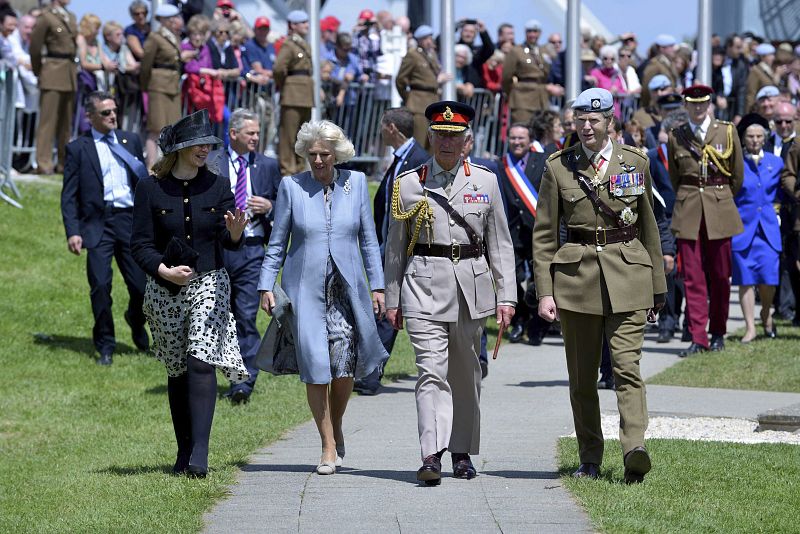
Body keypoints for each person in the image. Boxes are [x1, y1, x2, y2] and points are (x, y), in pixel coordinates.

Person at [532, 88, 667, 484]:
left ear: (610, 121)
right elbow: (544, 235)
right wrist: (545, 291)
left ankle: (634, 449)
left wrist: (657, 287)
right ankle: (589, 457)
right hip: (576, 281)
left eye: (594, 120)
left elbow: (648, 227)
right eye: (580, 120)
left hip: (629, 276)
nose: (586, 126)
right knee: (582, 377)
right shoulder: (559, 166)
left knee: (627, 368)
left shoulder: (635, 161)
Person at [384, 101, 516, 486]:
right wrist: (392, 298)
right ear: (429, 137)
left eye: (454, 136)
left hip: (471, 289)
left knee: (465, 374)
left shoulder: (485, 182)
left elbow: (500, 244)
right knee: (430, 371)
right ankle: (431, 453)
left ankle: (461, 451)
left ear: (466, 141)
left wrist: (507, 297)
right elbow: (395, 247)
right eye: (440, 135)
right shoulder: (409, 183)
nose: (446, 142)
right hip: (423, 287)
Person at [258, 120, 388, 475]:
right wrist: (266, 286)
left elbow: (369, 241)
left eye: (325, 154)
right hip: (305, 290)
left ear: (337, 155)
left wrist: (378, 286)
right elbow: (277, 242)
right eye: (312, 154)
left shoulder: (356, 183)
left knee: (344, 366)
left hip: (346, 289)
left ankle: (336, 423)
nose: (317, 161)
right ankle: (327, 444)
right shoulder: (291, 186)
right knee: (316, 365)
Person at [131, 109, 250, 478]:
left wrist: (235, 233)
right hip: (165, 290)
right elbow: (140, 244)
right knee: (178, 368)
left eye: (208, 145)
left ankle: (200, 453)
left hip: (210, 283)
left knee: (200, 360)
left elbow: (229, 241)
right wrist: (164, 270)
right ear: (179, 148)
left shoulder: (218, 185)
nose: (204, 150)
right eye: (198, 145)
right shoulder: (149, 188)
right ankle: (183, 449)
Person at [60, 91, 150, 365]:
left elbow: (143, 184)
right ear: (90, 117)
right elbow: (69, 195)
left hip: (129, 221)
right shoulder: (79, 148)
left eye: (114, 110)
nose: (113, 116)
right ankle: (105, 344)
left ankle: (135, 319)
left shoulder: (130, 140)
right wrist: (73, 231)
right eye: (105, 113)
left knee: (142, 287)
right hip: (98, 224)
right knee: (100, 286)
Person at [206, 109, 281, 403]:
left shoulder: (267, 165)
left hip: (252, 249)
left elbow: (283, 203)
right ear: (233, 134)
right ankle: (214, 372)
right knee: (219, 316)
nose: (256, 138)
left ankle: (243, 383)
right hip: (220, 248)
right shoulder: (212, 162)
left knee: (246, 316)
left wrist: (269, 206)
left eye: (258, 133)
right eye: (250, 133)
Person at [355, 107, 429, 396]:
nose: (380, 132)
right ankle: (370, 374)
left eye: (382, 126)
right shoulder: (400, 159)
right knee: (385, 308)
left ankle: (370, 375)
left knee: (389, 309)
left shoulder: (419, 160)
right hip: (391, 245)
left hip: (407, 249)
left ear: (392, 129)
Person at [667, 85, 744, 356]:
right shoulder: (676, 136)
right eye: (693, 103)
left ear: (709, 104)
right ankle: (698, 337)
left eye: (703, 103)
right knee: (692, 278)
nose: (698, 108)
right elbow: (676, 178)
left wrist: (720, 198)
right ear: (685, 105)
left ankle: (718, 332)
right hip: (689, 209)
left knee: (721, 275)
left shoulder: (727, 131)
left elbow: (737, 176)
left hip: (719, 207)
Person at [499, 123, 551, 346]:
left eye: (521, 138)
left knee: (540, 282)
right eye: (513, 138)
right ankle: (519, 320)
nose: (517, 142)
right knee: (511, 280)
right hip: (511, 233)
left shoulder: (543, 162)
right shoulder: (501, 165)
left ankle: (537, 326)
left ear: (530, 141)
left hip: (538, 232)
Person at [733, 114, 783, 342]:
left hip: (768, 230)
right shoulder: (735, 163)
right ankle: (750, 327)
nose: (754, 140)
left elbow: (783, 193)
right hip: (743, 230)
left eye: (759, 136)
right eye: (750, 136)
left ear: (765, 138)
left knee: (768, 279)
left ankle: (765, 313)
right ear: (743, 139)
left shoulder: (776, 162)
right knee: (745, 279)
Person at [29, 0, 77, 175]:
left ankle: (63, 163)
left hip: (69, 72)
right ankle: (44, 162)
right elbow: (35, 48)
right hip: (52, 70)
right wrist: (39, 71)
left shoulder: (70, 17)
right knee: (47, 122)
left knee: (66, 123)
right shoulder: (46, 17)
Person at [140, 4, 187, 168]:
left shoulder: (174, 37)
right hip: (158, 85)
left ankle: (170, 165)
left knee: (173, 127)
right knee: (156, 127)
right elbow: (146, 64)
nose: (176, 20)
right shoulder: (155, 37)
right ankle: (151, 165)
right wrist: (145, 85)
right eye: (172, 18)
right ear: (165, 20)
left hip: (172, 85)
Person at [395, 25, 452, 151]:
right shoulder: (413, 55)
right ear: (419, 40)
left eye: (430, 38)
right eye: (425, 38)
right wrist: (409, 98)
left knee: (432, 145)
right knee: (419, 143)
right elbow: (400, 80)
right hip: (418, 105)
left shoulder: (431, 55)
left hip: (433, 104)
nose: (429, 41)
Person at [273, 10, 313, 176]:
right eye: (302, 22)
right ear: (293, 25)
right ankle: (287, 170)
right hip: (292, 95)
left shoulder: (304, 44)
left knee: (303, 136)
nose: (306, 25)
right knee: (288, 137)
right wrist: (286, 85)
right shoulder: (289, 45)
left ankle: (299, 167)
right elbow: (278, 68)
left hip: (305, 95)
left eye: (306, 22)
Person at [502, 19, 557, 124]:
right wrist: (513, 92)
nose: (532, 34)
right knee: (522, 128)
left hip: (541, 99)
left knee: (541, 129)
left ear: (540, 33)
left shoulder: (544, 51)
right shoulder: (516, 51)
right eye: (529, 31)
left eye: (535, 31)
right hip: (522, 99)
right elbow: (506, 77)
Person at [640, 34, 679, 109]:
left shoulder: (670, 64)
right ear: (662, 49)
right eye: (671, 46)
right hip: (656, 107)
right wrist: (648, 107)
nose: (674, 49)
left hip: (667, 105)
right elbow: (646, 88)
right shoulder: (655, 65)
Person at [746, 43, 782, 112]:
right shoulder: (755, 71)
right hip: (761, 108)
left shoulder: (770, 70)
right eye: (770, 55)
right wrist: (749, 112)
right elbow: (751, 93)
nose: (773, 58)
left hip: (770, 108)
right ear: (762, 57)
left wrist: (777, 75)